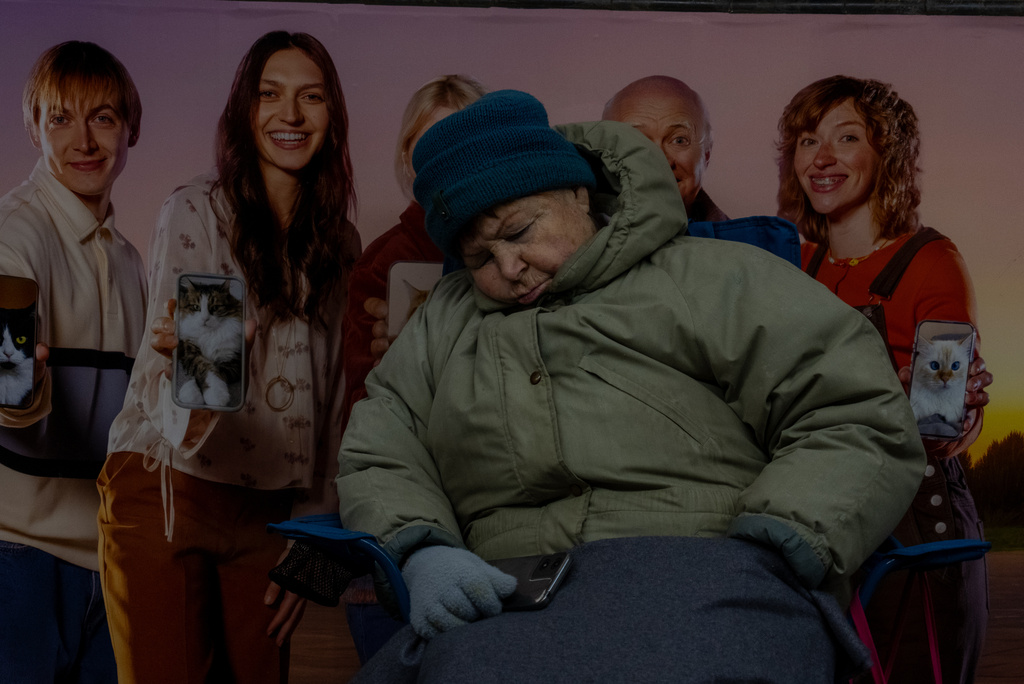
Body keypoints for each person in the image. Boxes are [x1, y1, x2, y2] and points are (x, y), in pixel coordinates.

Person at [336, 90, 926, 682]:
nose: (509, 265)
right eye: (479, 256)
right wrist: (422, 550)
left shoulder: (713, 276)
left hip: (709, 565)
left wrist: (779, 544)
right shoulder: (443, 321)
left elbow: (854, 410)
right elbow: (383, 447)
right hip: (505, 590)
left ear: (577, 193)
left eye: (519, 231)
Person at [99, 31, 360, 683]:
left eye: (311, 97)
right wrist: (215, 370)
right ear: (246, 111)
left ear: (333, 116)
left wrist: (315, 539)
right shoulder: (195, 209)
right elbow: (188, 409)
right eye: (270, 95)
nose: (290, 116)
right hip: (167, 486)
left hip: (267, 508)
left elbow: (330, 399)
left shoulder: (341, 244)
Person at [776, 74, 991, 684]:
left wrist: (948, 403)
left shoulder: (931, 261)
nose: (820, 159)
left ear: (887, 153)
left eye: (846, 138)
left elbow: (940, 422)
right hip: (812, 516)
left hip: (914, 523)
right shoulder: (792, 265)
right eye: (806, 140)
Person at [0, 41, 146, 684]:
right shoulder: (14, 233)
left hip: (110, 557)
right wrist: (16, 380)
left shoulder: (127, 256)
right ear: (34, 127)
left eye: (104, 117)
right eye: (61, 118)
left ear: (129, 129)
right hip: (17, 555)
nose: (84, 140)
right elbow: (8, 385)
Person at [339, 73, 486, 664]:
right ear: (407, 156)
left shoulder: (519, 241)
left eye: (459, 139)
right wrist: (387, 370)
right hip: (408, 491)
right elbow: (356, 406)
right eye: (428, 143)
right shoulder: (383, 261)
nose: (443, 158)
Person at [603, 75, 728, 222]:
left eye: (679, 140)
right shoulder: (578, 241)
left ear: (706, 155)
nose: (660, 162)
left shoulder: (747, 243)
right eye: (636, 140)